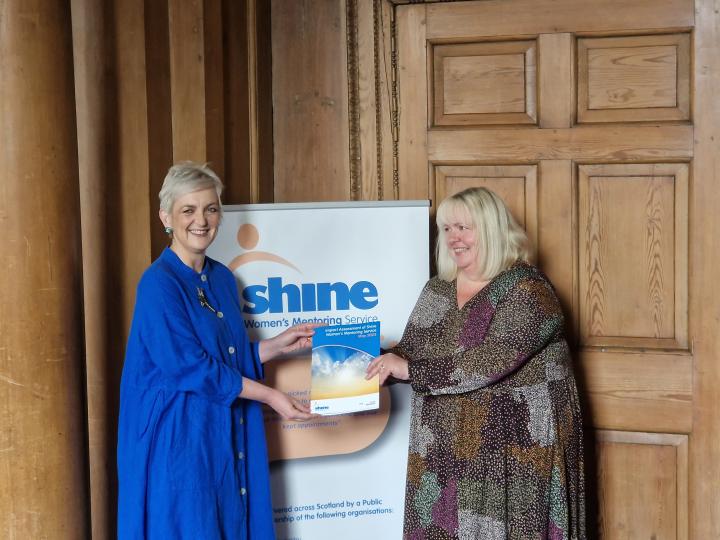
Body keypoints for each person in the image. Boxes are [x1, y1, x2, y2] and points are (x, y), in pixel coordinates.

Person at [367, 187, 586, 539]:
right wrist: (357, 359)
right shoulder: (438, 289)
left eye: (464, 228)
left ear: (491, 229)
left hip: (514, 453)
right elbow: (411, 351)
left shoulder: (529, 289)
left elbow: (491, 359)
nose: (454, 238)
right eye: (447, 229)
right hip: (441, 449)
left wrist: (408, 369)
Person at [117, 162, 317, 539]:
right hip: (179, 438)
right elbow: (189, 367)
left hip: (221, 428)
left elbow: (223, 357)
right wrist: (271, 396)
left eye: (210, 209)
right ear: (166, 216)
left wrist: (273, 347)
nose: (201, 220)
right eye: (188, 210)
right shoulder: (158, 284)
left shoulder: (223, 278)